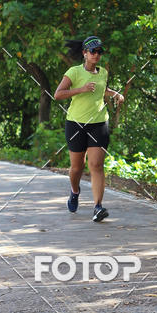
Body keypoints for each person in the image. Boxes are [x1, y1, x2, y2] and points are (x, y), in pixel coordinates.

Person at [54, 35, 124, 221]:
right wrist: (80, 89)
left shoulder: (103, 72)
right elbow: (58, 94)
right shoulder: (74, 72)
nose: (97, 55)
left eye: (100, 51)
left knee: (96, 165)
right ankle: (75, 191)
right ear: (85, 53)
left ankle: (98, 207)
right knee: (77, 167)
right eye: (93, 51)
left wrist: (115, 93)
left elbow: (101, 90)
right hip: (76, 123)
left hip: (99, 123)